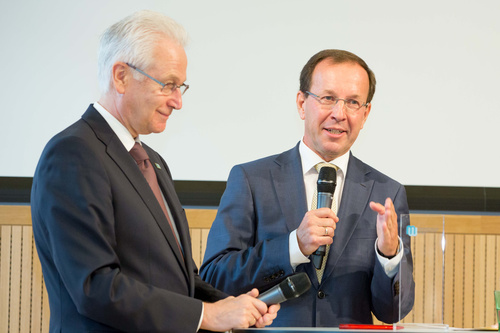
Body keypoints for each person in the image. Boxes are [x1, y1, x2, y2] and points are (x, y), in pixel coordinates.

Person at [31, 10, 278, 333]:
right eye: (168, 85)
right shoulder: (72, 153)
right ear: (121, 76)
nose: (177, 102)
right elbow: (94, 285)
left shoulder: (152, 161)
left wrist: (231, 305)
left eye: (181, 87)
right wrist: (207, 316)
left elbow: (180, 278)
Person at [200, 49, 415, 327]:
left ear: (366, 113)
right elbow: (214, 279)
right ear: (302, 103)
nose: (339, 114)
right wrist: (293, 246)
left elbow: (393, 312)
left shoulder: (387, 193)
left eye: (352, 102)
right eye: (328, 98)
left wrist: (388, 255)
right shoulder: (252, 179)